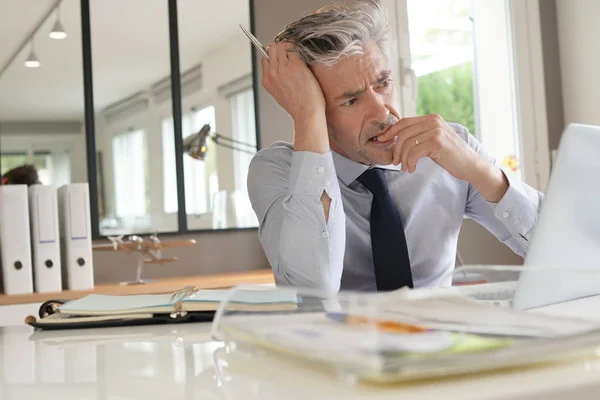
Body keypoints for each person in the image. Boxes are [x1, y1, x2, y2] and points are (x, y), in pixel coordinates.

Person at [247, 2, 543, 293]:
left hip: (437, 338)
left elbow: (566, 247)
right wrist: (307, 116)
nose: (381, 112)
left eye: (383, 83)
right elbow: (311, 287)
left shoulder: (449, 146)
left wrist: (480, 170)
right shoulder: (277, 171)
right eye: (351, 100)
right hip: (336, 340)